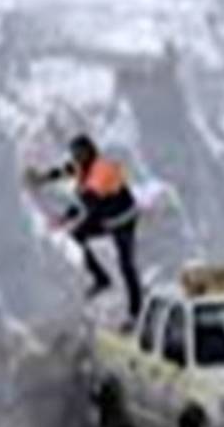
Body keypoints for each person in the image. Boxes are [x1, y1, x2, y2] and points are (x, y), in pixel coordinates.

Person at [24, 134, 143, 317]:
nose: (76, 158)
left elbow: (89, 203)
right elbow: (66, 170)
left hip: (123, 220)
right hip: (105, 214)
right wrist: (42, 178)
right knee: (77, 235)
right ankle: (101, 278)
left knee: (126, 264)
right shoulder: (85, 165)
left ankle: (135, 311)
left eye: (78, 154)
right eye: (75, 154)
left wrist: (63, 218)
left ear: (88, 152)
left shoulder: (101, 171)